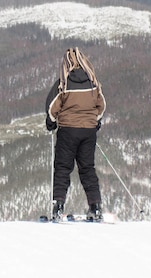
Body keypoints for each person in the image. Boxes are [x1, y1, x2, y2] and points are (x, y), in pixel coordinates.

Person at [45, 47, 106, 221]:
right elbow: (101, 106)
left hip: (68, 131)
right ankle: (95, 207)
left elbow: (52, 107)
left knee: (63, 168)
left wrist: (51, 122)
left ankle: (58, 206)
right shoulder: (93, 82)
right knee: (87, 168)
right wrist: (95, 121)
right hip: (89, 131)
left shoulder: (63, 83)